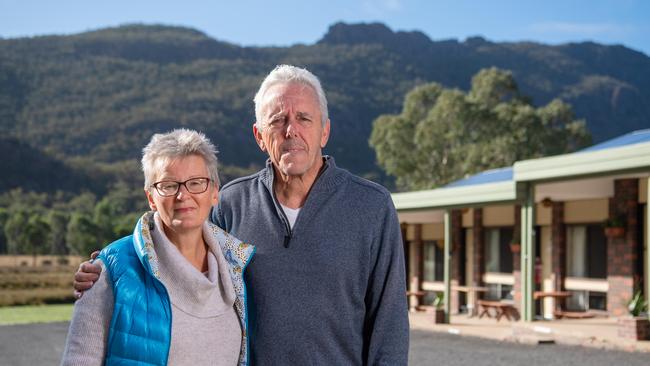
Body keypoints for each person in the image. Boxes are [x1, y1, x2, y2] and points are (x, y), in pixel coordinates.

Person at [75, 65, 409, 365]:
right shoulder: (230, 203)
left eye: (304, 118)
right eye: (277, 121)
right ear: (260, 136)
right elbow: (179, 245)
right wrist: (113, 267)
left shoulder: (371, 206)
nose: (291, 130)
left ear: (324, 131)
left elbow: (389, 325)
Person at [62, 129, 255, 366]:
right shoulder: (109, 273)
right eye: (169, 185)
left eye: (196, 183)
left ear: (214, 193)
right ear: (151, 197)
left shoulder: (237, 270)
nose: (183, 195)